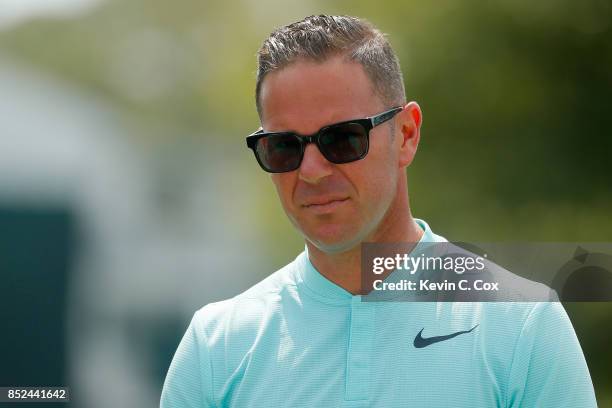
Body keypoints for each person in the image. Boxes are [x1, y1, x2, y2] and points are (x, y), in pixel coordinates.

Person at [160, 15, 597, 407]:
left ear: (406, 135)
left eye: (342, 139)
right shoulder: (215, 347)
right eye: (283, 146)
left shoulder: (523, 322)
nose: (311, 171)